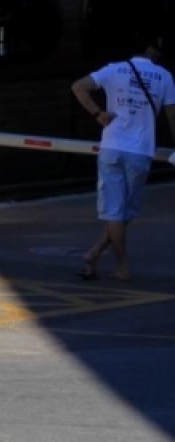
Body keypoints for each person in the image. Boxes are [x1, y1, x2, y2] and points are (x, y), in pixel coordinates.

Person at [71, 32, 175, 281]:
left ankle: (95, 254)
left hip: (111, 147)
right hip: (140, 151)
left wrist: (98, 114)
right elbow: (172, 116)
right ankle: (121, 266)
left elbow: (78, 87)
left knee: (115, 212)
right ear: (151, 50)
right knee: (125, 212)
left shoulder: (113, 70)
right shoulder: (165, 76)